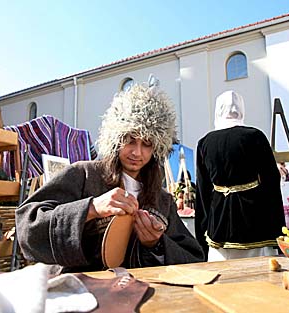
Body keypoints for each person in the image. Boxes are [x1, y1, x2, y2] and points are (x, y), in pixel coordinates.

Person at [15, 81, 205, 272]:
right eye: (129, 140)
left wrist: (156, 244)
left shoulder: (163, 200)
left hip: (144, 294)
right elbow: (27, 226)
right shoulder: (83, 174)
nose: (137, 152)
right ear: (115, 139)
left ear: (157, 148)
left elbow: (194, 257)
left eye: (147, 144)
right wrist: (90, 208)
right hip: (82, 292)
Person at [195, 90, 286, 261]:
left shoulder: (205, 142)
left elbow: (203, 189)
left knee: (221, 271)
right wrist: (277, 225)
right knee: (258, 272)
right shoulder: (255, 136)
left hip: (219, 219)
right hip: (254, 217)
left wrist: (202, 229)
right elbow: (271, 181)